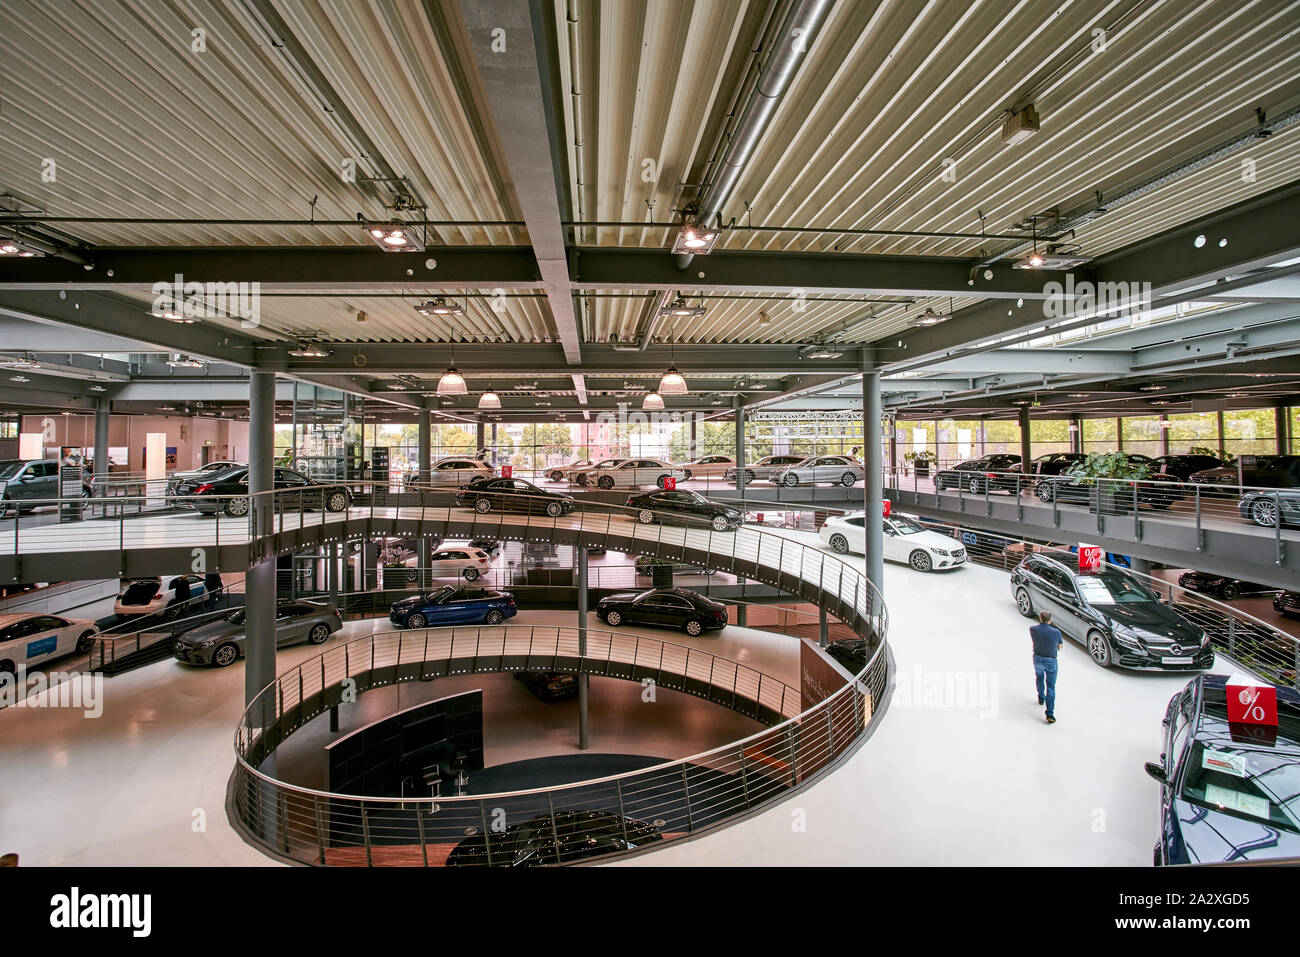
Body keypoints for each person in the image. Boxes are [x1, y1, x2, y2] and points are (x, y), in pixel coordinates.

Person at [1030, 611, 1064, 724]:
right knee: (1051, 686)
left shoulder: (1033, 629)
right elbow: (1060, 645)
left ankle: (1041, 697)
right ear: (1050, 620)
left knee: (1039, 677)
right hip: (1051, 660)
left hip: (1037, 658)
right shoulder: (1056, 632)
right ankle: (1050, 714)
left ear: (1040, 618)